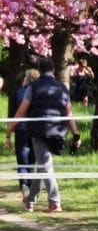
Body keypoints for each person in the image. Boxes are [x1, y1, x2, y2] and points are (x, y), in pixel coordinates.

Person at [5, 57, 80, 213]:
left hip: (39, 131)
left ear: (39, 69)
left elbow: (22, 110)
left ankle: (55, 202)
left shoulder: (32, 87)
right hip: (58, 131)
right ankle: (30, 201)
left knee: (45, 166)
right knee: (42, 165)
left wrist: (10, 130)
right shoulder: (62, 88)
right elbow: (69, 113)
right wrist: (75, 134)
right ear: (53, 69)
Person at [11, 69, 39, 198]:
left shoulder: (18, 92)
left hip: (20, 129)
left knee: (22, 160)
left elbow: (11, 115)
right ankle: (32, 189)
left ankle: (24, 184)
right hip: (35, 129)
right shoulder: (39, 93)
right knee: (33, 160)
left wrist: (8, 134)